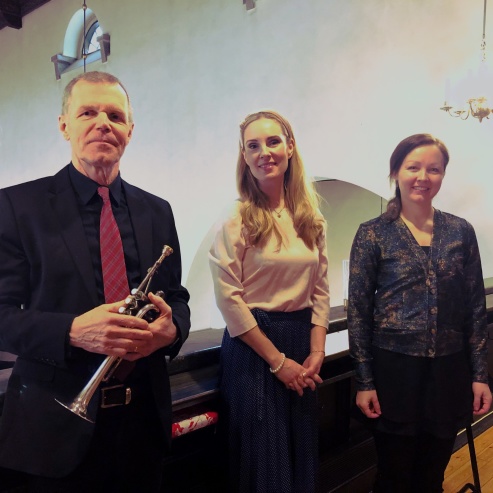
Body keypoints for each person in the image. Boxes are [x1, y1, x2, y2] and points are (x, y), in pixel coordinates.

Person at [0, 71, 190, 492]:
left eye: (115, 115)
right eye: (88, 112)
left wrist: (170, 329)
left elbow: (176, 297)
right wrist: (72, 331)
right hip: (53, 430)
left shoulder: (157, 211)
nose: (103, 122)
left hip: (142, 425)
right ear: (64, 125)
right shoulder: (16, 206)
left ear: (129, 131)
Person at [348, 133, 491, 493]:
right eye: (413, 167)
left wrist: (480, 375)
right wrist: (364, 381)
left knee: (432, 475)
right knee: (393, 476)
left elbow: (475, 308)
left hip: (448, 371)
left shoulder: (460, 232)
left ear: (443, 175)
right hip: (393, 371)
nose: (422, 177)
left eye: (434, 169)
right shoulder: (373, 234)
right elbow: (359, 313)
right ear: (396, 171)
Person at [209, 110, 330, 493]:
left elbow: (321, 290)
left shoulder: (311, 220)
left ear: (290, 147)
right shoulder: (236, 221)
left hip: (300, 343)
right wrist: (278, 363)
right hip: (254, 351)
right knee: (264, 464)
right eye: (253, 146)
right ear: (244, 157)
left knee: (298, 456)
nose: (265, 152)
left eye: (274, 141)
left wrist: (317, 351)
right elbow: (229, 300)